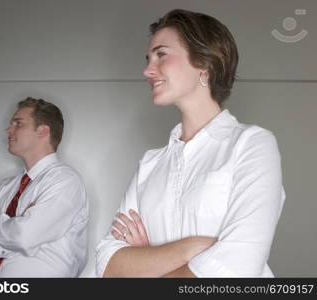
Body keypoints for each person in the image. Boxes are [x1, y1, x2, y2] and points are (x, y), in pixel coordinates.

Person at [96, 9, 285, 277]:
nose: (148, 70)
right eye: (148, 58)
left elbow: (237, 266)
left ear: (204, 64)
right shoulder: (150, 163)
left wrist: (148, 259)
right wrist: (190, 248)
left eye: (161, 55)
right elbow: (108, 263)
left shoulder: (252, 145)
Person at [0, 97, 88, 277]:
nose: (8, 130)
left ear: (42, 131)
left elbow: (25, 237)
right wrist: (15, 228)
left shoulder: (65, 180)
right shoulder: (4, 188)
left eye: (18, 123)